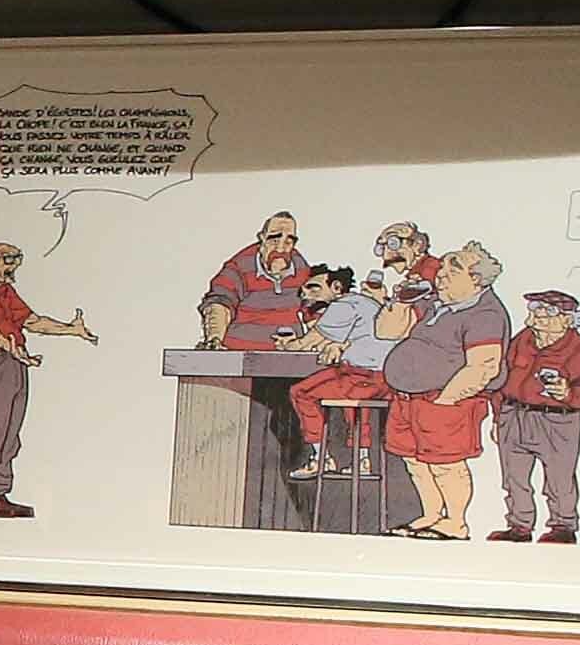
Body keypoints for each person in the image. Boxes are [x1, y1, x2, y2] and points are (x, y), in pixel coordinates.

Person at [0, 237, 97, 518]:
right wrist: (9, 346)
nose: (13, 265)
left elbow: (31, 320)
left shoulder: (3, 289)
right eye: (7, 259)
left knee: (9, 431)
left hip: (13, 363)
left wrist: (70, 329)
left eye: (15, 259)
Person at [377, 239, 514, 540]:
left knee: (446, 465)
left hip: (445, 401)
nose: (441, 273)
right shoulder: (436, 303)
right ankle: (431, 515)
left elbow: (485, 366)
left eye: (454, 269)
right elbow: (385, 332)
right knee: (415, 461)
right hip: (409, 399)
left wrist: (445, 400)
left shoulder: (485, 314)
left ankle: (455, 523)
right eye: (443, 266)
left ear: (476, 279)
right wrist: (401, 301)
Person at [492, 289, 580, 545]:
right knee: (514, 477)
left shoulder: (577, 349)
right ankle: (519, 526)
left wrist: (567, 393)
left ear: (568, 319)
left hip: (556, 420)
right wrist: (498, 417)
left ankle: (563, 527)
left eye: (550, 311)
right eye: (536, 307)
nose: (540, 314)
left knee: (559, 478)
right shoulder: (522, 340)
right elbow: (501, 377)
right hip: (514, 415)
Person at [281, 265, 395, 478]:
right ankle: (351, 458)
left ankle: (328, 458)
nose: (305, 294)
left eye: (314, 288)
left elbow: (308, 342)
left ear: (336, 287)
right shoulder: (363, 303)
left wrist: (287, 344)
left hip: (366, 377)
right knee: (304, 390)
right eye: (303, 289)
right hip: (373, 375)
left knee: (303, 393)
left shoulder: (344, 305)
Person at [195, 212, 307, 348]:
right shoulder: (239, 266)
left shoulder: (301, 267)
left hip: (288, 355)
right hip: (240, 353)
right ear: (262, 238)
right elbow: (219, 304)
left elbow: (314, 308)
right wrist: (214, 339)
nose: (280, 248)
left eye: (288, 242)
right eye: (274, 240)